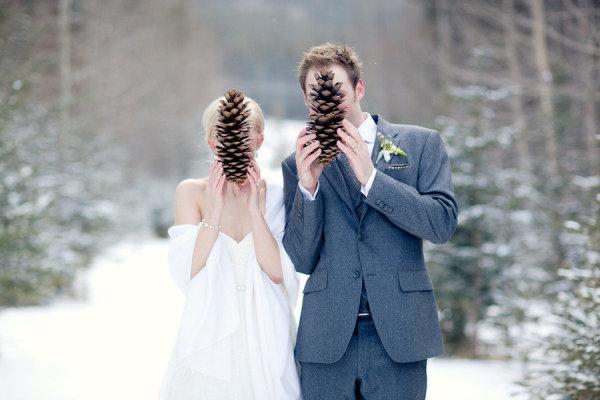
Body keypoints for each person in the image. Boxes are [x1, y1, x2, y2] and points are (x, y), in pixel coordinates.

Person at [281, 42, 459, 399]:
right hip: (327, 339)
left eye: (337, 91)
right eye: (317, 93)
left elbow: (441, 224)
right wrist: (308, 187)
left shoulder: (422, 144)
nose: (327, 100)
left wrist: (372, 179)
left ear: (359, 88)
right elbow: (300, 259)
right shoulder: (296, 164)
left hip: (401, 332)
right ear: (306, 101)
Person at [158, 94, 302, 400]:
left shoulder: (275, 195)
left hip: (266, 329)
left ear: (259, 140)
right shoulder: (191, 192)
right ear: (212, 143)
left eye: (244, 134)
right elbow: (189, 271)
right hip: (210, 330)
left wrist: (255, 212)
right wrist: (214, 210)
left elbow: (277, 274)